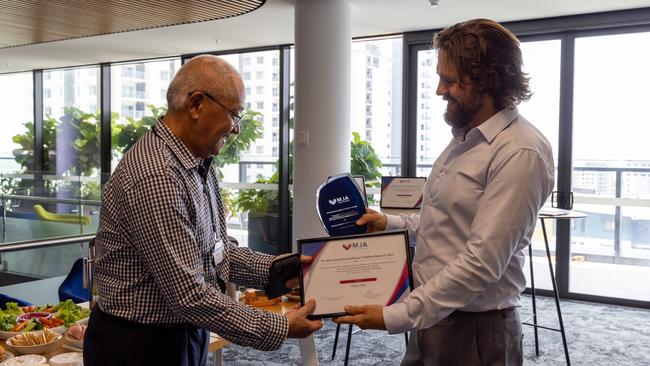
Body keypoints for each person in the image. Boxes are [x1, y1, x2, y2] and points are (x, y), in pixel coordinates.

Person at [334, 19, 554, 365]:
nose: (439, 90)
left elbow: (482, 263)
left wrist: (396, 315)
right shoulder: (464, 141)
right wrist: (388, 222)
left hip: (476, 331)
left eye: (449, 80)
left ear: (487, 79)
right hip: (435, 314)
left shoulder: (520, 152)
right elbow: (445, 222)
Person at [84, 55, 322, 366]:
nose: (236, 129)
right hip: (140, 346)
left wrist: (279, 269)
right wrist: (279, 326)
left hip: (178, 335)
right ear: (196, 104)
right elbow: (190, 296)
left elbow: (215, 252)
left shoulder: (197, 164)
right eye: (234, 115)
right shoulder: (157, 175)